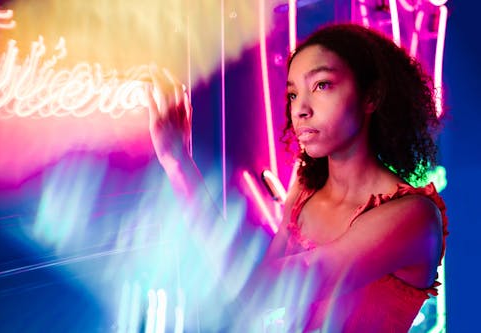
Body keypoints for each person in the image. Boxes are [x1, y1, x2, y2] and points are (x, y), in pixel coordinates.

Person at [146, 22, 448, 333]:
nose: (300, 109)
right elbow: (250, 292)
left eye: (321, 85)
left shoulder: (413, 217)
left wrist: (177, 160)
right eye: (292, 94)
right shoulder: (306, 188)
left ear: (371, 96)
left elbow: (261, 290)